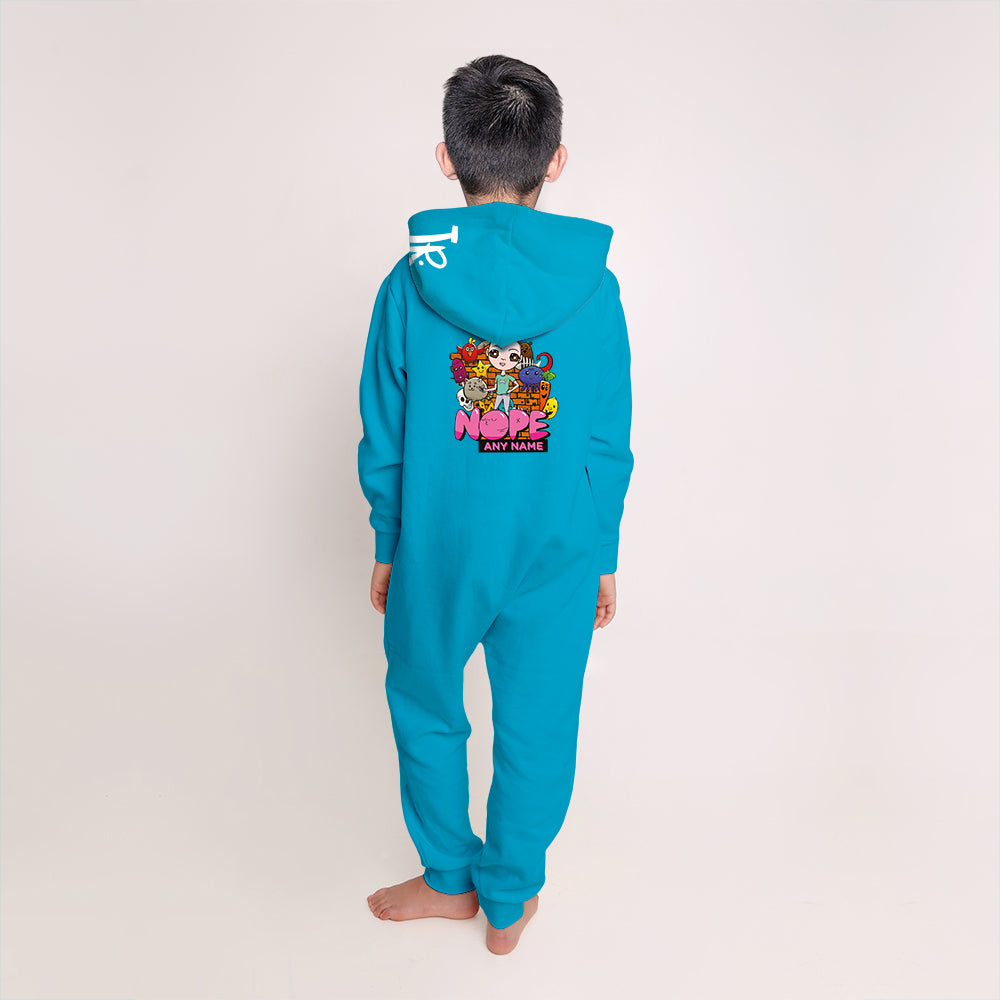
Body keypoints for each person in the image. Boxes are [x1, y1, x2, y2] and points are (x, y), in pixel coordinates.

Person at [357, 54, 634, 956]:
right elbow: (605, 437)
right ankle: (509, 897)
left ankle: (451, 878)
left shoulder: (409, 285)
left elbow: (386, 430)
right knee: (539, 725)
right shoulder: (595, 289)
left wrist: (389, 541)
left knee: (426, 706)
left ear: (447, 159)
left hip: (440, 546)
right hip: (555, 549)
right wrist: (601, 552)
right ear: (556, 161)